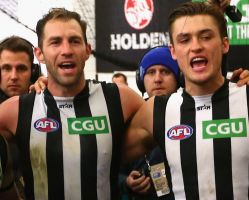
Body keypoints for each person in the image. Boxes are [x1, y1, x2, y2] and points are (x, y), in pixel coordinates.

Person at [123, 2, 249, 199]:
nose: (196, 46)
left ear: (225, 44)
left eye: (206, 37)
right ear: (173, 51)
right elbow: (101, 155)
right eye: (184, 40)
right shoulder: (156, 111)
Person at [0, 8, 144, 200]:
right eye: (55, 42)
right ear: (40, 53)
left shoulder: (121, 99)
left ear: (87, 50)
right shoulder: (15, 110)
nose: (66, 50)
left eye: (74, 41)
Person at [120, 45, 249, 199]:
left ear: (179, 77)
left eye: (165, 72)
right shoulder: (131, 118)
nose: (157, 79)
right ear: (140, 79)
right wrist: (126, 182)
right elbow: (107, 165)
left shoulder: (200, 112)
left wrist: (235, 96)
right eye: (151, 72)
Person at [0, 35, 42, 200]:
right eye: (6, 68)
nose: (14, 76)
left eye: (21, 68)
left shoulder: (46, 102)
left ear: (33, 72)